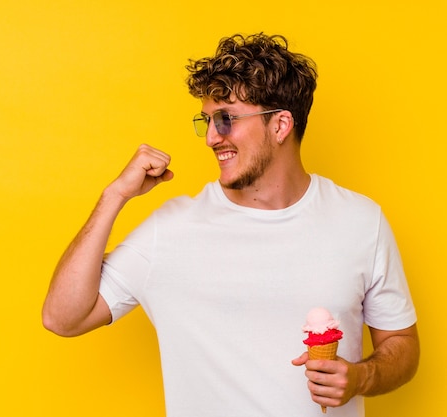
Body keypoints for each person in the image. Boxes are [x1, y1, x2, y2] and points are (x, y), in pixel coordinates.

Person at [42, 33, 420, 416]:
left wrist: (361, 378)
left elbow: (401, 344)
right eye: (205, 121)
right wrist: (113, 197)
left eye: (225, 120)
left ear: (280, 125)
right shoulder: (171, 230)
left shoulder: (361, 221)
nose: (209, 138)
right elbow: (62, 317)